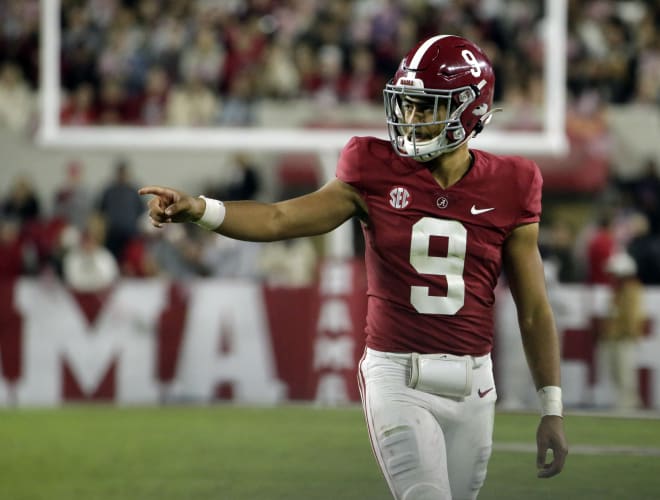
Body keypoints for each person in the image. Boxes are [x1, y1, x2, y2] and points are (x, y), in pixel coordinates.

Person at [140, 35, 567, 499]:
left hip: (475, 384)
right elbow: (280, 218)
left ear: (470, 110)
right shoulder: (372, 168)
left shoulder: (513, 183)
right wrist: (201, 208)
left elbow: (534, 310)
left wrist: (552, 408)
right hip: (397, 376)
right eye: (407, 104)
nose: (411, 118)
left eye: (426, 106)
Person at [597, 251, 646, 411]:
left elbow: (632, 315)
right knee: (616, 372)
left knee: (625, 373)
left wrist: (630, 333)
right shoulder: (617, 290)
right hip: (614, 337)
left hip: (624, 337)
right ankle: (625, 402)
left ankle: (628, 404)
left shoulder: (632, 290)